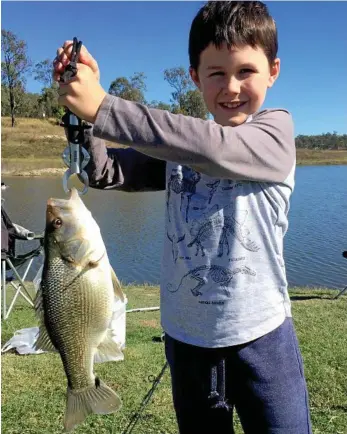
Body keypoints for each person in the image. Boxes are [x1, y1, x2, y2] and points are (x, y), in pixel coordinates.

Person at [53, 2, 312, 433]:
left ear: (274, 71)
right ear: (195, 77)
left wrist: (105, 107)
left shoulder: (275, 133)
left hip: (264, 341)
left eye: (246, 71)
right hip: (188, 345)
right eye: (215, 73)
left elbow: (214, 148)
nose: (231, 87)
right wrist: (81, 119)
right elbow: (105, 171)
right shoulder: (178, 151)